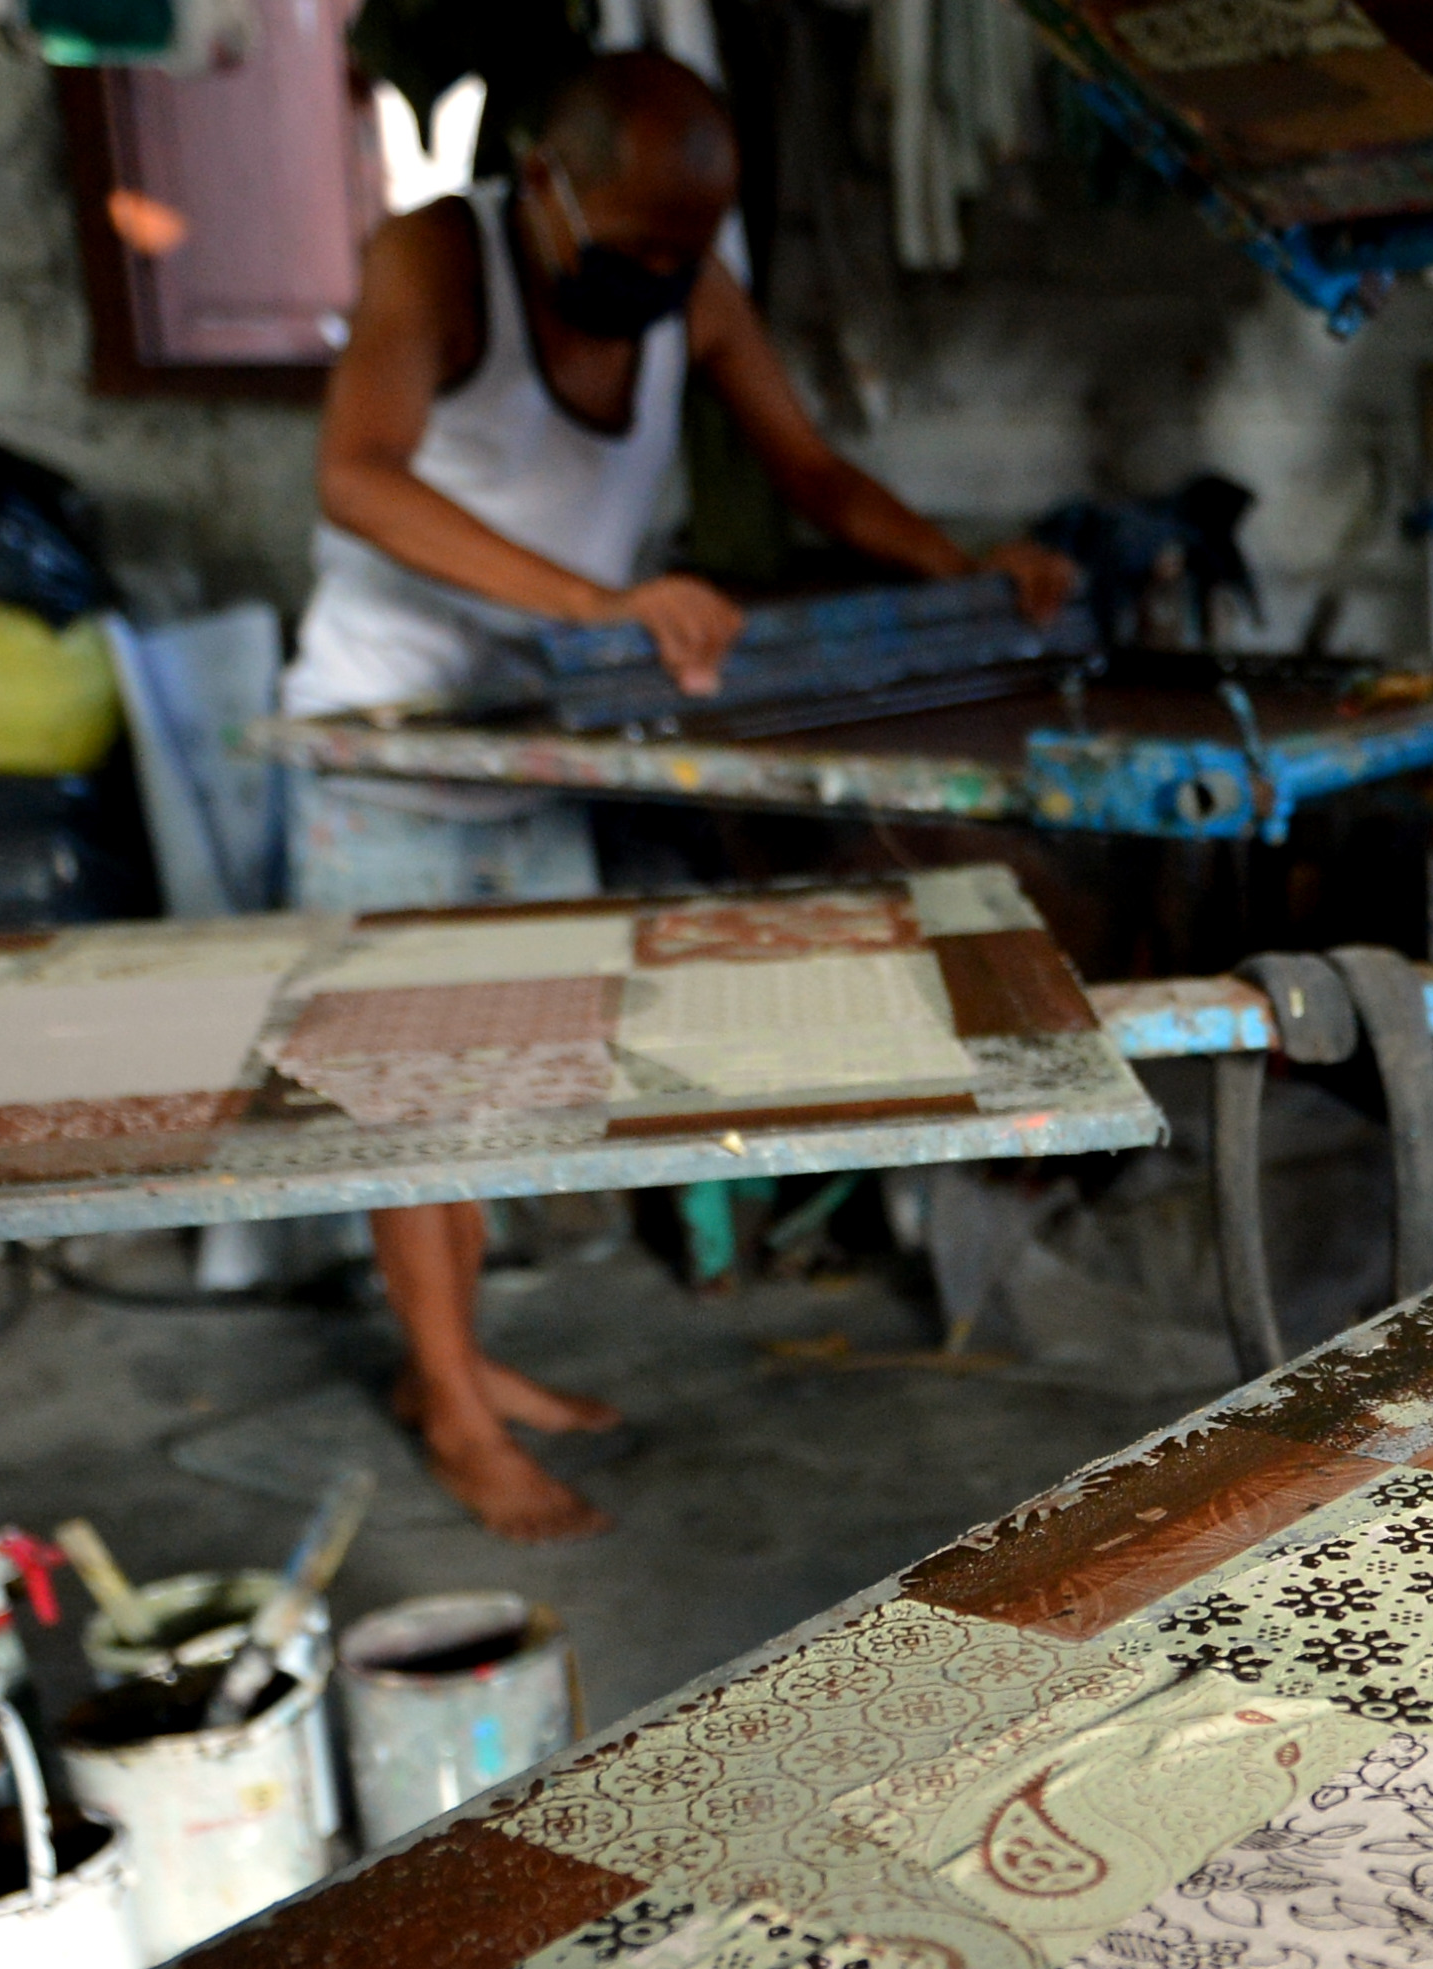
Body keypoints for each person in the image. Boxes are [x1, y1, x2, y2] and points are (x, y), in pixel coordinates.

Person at [279, 49, 1073, 1541]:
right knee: (401, 1091)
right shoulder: (436, 255)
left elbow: (817, 479)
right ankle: (451, 1403)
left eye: (684, 252)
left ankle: (458, 1358)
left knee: (507, 1079)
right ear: (546, 181)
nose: (662, 275)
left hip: (554, 732)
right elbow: (358, 476)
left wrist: (973, 573)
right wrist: (602, 600)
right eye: (635, 244)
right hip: (379, 736)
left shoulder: (690, 294)